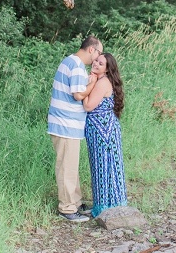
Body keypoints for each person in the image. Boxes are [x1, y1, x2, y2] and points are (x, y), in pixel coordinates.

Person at [47, 36, 102, 222]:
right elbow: (78, 95)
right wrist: (93, 83)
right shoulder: (77, 66)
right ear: (91, 50)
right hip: (65, 124)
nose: (97, 58)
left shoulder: (70, 61)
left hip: (66, 124)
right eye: (98, 53)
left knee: (71, 166)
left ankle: (76, 203)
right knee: (66, 167)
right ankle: (67, 208)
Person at [83, 52, 128, 217]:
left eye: (101, 63)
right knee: (107, 166)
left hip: (102, 132)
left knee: (102, 166)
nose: (95, 64)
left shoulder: (101, 83)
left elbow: (88, 106)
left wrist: (87, 88)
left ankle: (104, 207)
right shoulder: (102, 81)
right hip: (104, 129)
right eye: (96, 60)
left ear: (107, 69)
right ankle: (112, 203)